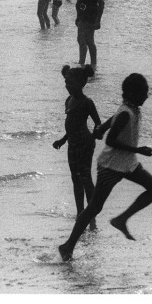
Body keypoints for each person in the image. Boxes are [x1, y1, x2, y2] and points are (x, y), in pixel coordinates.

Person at [58, 73, 152, 262]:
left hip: (127, 163)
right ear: (132, 93)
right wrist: (138, 149)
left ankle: (121, 219)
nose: (147, 96)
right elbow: (111, 140)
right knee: (94, 208)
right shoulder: (126, 113)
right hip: (111, 165)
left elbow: (108, 125)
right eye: (144, 92)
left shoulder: (129, 109)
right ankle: (68, 246)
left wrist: (100, 129)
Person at [52, 64, 101, 228]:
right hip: (72, 144)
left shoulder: (87, 102)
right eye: (66, 82)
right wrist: (63, 139)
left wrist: (94, 136)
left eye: (70, 83)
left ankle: (92, 213)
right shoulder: (69, 100)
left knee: (85, 178)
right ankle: (80, 212)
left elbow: (98, 123)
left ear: (81, 83)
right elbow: (71, 125)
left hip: (84, 144)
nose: (67, 86)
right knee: (75, 178)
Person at [75, 0, 103, 70]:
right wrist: (78, 16)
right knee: (81, 39)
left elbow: (101, 2)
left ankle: (92, 64)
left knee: (88, 40)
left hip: (90, 15)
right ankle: (83, 62)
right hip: (83, 14)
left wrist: (98, 20)